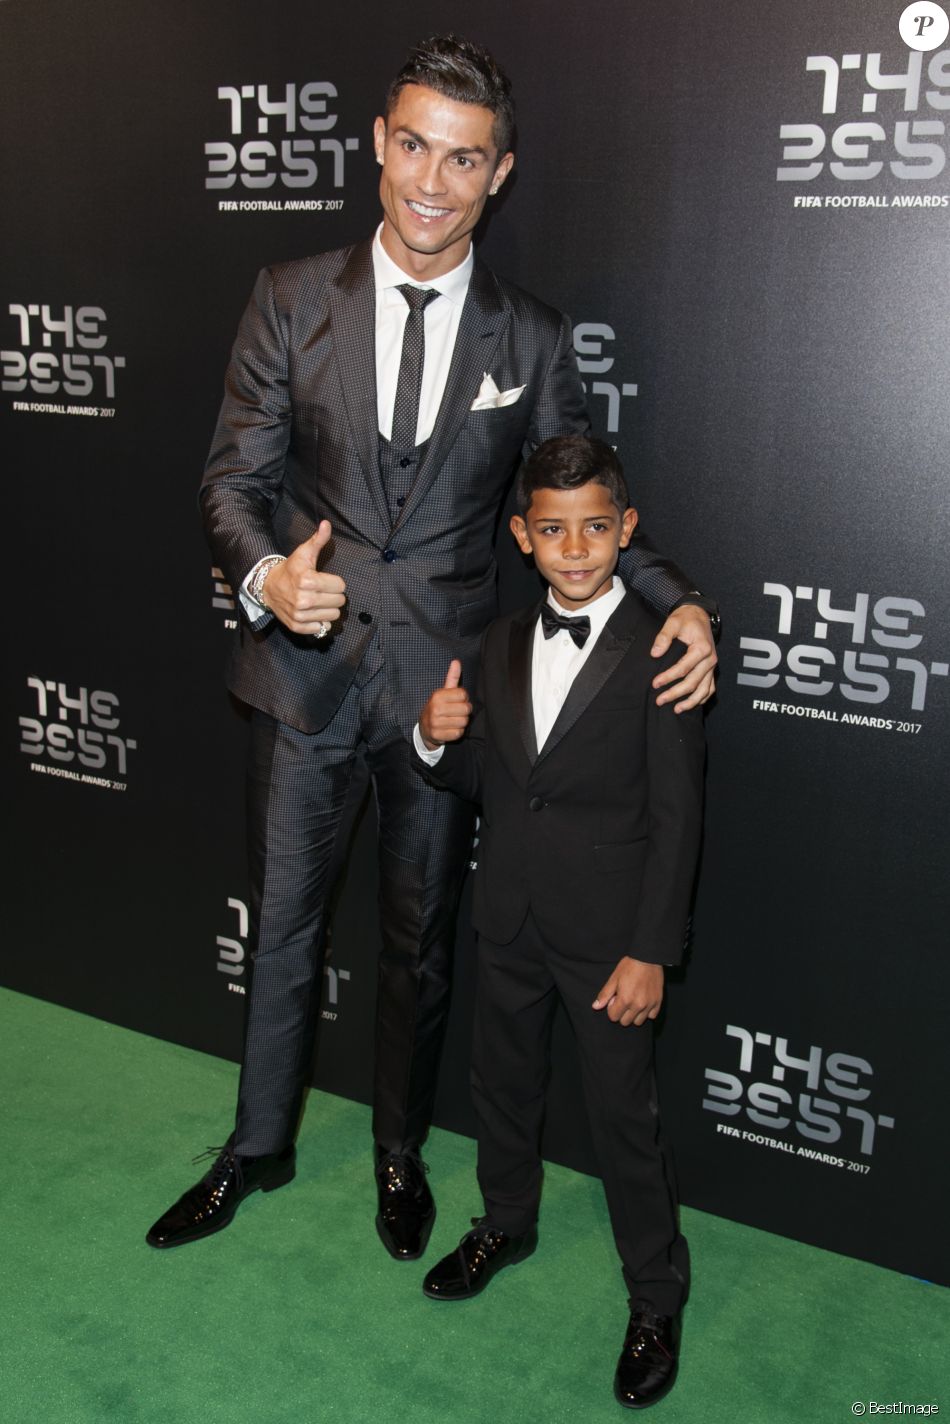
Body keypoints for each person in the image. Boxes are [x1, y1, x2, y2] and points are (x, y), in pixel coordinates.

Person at [146, 35, 716, 1259]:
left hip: (449, 699)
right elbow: (229, 480)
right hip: (300, 681)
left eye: (462, 159)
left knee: (419, 938)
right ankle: (255, 1144)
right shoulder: (287, 294)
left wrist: (679, 601)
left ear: (497, 174)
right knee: (286, 922)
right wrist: (261, 576)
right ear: (377, 144)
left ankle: (397, 1152)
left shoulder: (532, 338)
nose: (430, 180)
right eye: (413, 146)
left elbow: (586, 494)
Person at [413, 434, 704, 1410]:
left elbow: (676, 817)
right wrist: (433, 735)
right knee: (501, 1083)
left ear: (623, 530)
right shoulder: (496, 641)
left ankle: (655, 1295)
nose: (573, 548)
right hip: (507, 917)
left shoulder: (661, 644)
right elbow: (486, 782)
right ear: (521, 535)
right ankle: (506, 1219)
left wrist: (651, 949)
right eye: (551, 529)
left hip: (611, 939)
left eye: (592, 528)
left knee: (624, 1118)